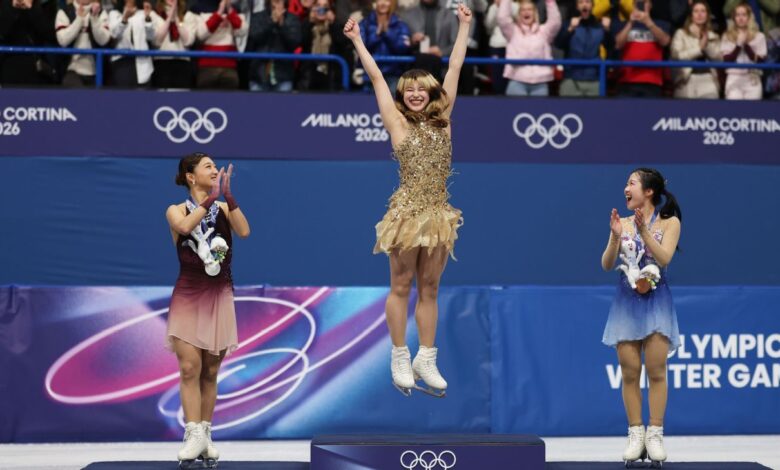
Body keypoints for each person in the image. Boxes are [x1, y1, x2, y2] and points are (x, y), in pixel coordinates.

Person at [342, 2, 470, 397]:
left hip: (438, 214)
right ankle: (400, 354)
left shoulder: (444, 118)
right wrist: (357, 41)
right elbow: (379, 79)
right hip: (407, 213)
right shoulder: (395, 123)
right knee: (401, 286)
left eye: (421, 89)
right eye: (408, 90)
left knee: (430, 288)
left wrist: (465, 26)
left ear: (432, 93)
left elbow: (455, 67)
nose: (414, 94)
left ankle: (426, 357)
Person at [165, 153, 250, 468]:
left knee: (211, 371)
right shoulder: (176, 210)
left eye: (216, 167)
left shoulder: (225, 208)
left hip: (219, 296)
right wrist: (208, 201)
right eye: (208, 167)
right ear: (190, 176)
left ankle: (206, 436)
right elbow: (186, 226)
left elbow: (244, 232)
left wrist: (228, 198)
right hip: (188, 296)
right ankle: (192, 433)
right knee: (190, 368)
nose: (215, 170)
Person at [601, 168, 682, 467]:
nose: (626, 188)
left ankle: (655, 434)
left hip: (657, 304)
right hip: (626, 305)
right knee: (630, 371)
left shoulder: (669, 222)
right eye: (626, 183)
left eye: (631, 183)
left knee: (657, 368)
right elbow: (607, 265)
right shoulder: (621, 223)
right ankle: (635, 434)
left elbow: (664, 258)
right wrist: (614, 237)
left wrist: (644, 231)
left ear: (648, 191)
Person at [498, 0, 561, 96]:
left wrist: (550, 2)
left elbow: (555, 22)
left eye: (529, 9)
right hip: (517, 80)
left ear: (535, 13)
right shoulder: (512, 31)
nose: (526, 12)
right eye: (523, 10)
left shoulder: (544, 32)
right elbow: (502, 18)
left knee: (538, 110)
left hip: (540, 82)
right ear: (519, 14)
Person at [670, 0, 722, 99]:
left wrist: (706, 46)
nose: (699, 14)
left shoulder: (713, 36)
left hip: (708, 80)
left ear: (707, 15)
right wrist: (699, 49)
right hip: (686, 79)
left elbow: (719, 59)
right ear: (691, 15)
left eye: (703, 11)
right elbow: (677, 56)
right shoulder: (681, 33)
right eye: (696, 11)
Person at [55, 0, 111, 87]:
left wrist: (94, 18)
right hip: (71, 70)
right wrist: (79, 19)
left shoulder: (101, 12)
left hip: (97, 71)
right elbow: (63, 41)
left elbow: (103, 41)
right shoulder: (64, 12)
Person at [721, 1, 767, 99]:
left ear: (749, 17)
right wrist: (738, 45)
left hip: (752, 78)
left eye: (744, 15)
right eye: (737, 15)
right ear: (734, 18)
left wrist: (746, 45)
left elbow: (760, 61)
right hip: (734, 78)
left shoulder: (759, 36)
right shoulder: (727, 36)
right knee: (733, 112)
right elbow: (727, 60)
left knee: (753, 112)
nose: (741, 18)